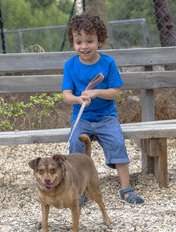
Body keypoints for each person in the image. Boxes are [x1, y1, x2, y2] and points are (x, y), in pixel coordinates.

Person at [61, 13, 144, 207]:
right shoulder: (70, 65)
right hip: (82, 118)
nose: (84, 46)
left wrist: (97, 92)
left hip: (106, 117)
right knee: (75, 145)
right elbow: (66, 96)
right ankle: (79, 190)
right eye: (78, 41)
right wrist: (78, 98)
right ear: (73, 41)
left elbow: (115, 93)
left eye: (89, 41)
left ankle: (125, 189)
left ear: (100, 40)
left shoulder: (108, 63)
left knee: (117, 142)